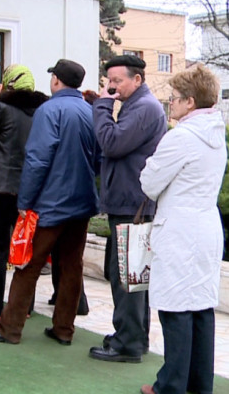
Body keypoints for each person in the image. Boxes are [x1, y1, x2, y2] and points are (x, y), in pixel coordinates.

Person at [0, 59, 100, 345]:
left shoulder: (50, 110)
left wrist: (26, 200)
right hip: (81, 201)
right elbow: (98, 158)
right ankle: (63, 329)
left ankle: (10, 329)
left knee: (27, 265)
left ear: (56, 80)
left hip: (50, 201)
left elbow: (38, 158)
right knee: (71, 266)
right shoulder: (89, 111)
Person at [139, 64, 227, 394]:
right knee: (202, 308)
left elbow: (149, 182)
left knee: (176, 308)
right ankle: (198, 384)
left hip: (179, 229)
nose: (170, 103)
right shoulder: (216, 135)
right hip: (206, 226)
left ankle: (170, 386)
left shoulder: (181, 137)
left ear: (190, 102)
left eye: (174, 98)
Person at [89, 55, 167, 363]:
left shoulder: (145, 108)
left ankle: (128, 343)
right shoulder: (138, 106)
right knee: (128, 276)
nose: (111, 87)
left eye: (117, 81)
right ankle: (131, 338)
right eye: (109, 81)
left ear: (137, 79)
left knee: (128, 278)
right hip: (129, 203)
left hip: (133, 206)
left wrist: (102, 107)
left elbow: (112, 143)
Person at [0, 65, 48, 321]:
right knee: (26, 247)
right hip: (29, 188)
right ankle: (24, 307)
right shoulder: (42, 111)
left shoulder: (3, 108)